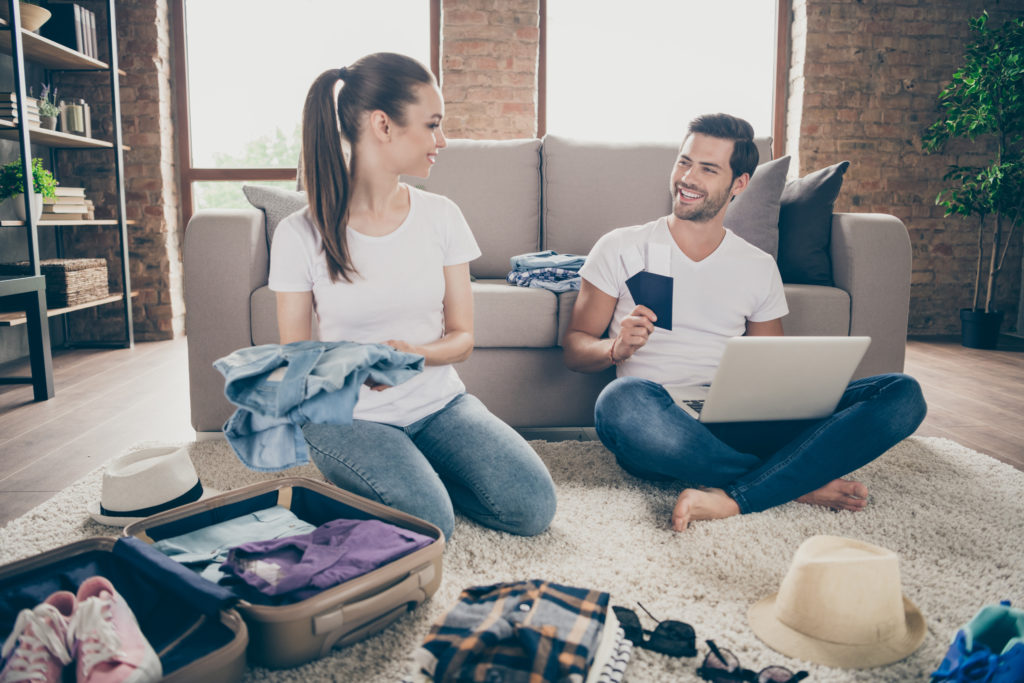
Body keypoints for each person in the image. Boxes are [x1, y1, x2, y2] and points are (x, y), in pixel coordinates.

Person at [562, 113, 926, 532]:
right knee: (618, 402)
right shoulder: (621, 246)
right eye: (685, 162)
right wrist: (614, 349)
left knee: (902, 393)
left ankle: (740, 492)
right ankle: (792, 481)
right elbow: (575, 347)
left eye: (708, 169)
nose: (688, 178)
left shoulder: (757, 266)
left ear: (739, 184)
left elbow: (770, 368)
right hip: (662, 422)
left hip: (739, 420)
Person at [268, 53, 556, 541]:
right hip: (347, 418)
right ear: (383, 125)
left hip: (439, 405)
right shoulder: (301, 233)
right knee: (431, 525)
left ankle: (415, 476)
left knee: (533, 507)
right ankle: (399, 486)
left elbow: (462, 338)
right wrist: (360, 365)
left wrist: (412, 356)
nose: (442, 140)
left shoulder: (441, 215)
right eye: (433, 125)